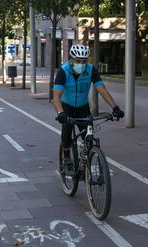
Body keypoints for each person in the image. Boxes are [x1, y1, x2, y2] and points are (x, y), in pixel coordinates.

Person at [53, 44, 124, 175]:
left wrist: (115, 107)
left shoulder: (91, 70)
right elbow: (56, 95)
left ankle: (88, 158)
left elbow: (101, 89)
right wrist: (60, 112)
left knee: (89, 137)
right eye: (78, 61)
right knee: (67, 130)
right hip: (67, 107)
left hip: (82, 107)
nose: (81, 64)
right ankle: (66, 158)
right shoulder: (63, 71)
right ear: (71, 59)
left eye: (84, 61)